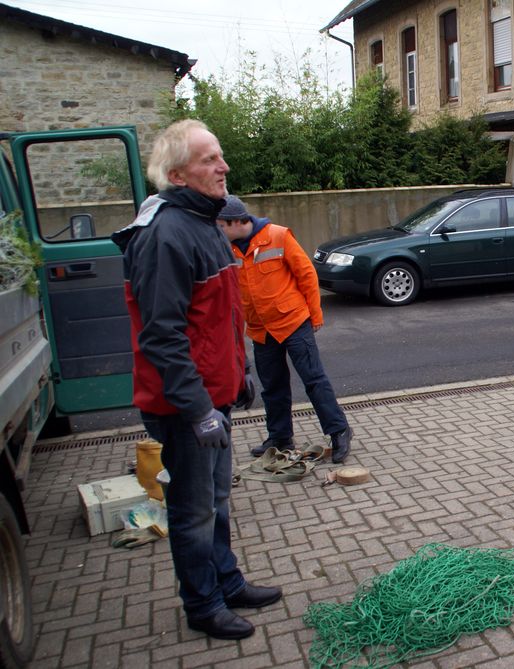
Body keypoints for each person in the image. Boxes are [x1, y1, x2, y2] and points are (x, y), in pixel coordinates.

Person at [111, 119, 280, 641]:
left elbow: (218, 318)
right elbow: (162, 336)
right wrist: (197, 408)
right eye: (210, 159)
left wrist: (241, 373)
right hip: (185, 407)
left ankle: (226, 582)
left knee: (217, 501)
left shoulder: (205, 223)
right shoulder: (164, 235)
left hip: (214, 395)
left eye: (221, 156)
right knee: (193, 511)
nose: (223, 166)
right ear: (179, 174)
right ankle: (203, 605)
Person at [216, 195, 353, 463]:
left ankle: (339, 431)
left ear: (235, 222)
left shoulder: (277, 236)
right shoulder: (227, 249)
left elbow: (307, 274)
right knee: (272, 386)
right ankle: (280, 436)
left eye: (220, 226)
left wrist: (315, 315)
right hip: (260, 328)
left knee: (314, 380)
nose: (217, 231)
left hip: (293, 321)